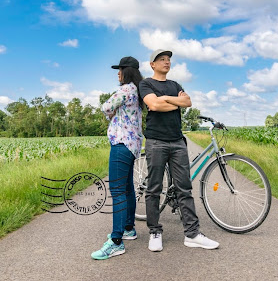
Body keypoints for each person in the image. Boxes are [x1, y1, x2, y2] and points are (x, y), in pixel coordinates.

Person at [139, 49, 219, 252]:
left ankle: (192, 234)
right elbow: (154, 106)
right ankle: (155, 231)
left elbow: (188, 102)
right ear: (152, 65)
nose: (166, 62)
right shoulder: (146, 84)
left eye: (168, 59)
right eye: (161, 60)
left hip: (177, 142)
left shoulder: (175, 85)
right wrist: (175, 102)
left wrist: (165, 98)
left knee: (184, 188)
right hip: (156, 141)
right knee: (154, 188)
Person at [91, 56, 144, 260]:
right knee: (127, 188)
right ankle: (128, 228)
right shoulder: (137, 90)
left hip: (121, 144)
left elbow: (106, 106)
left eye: (120, 69)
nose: (117, 73)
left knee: (117, 191)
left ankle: (116, 241)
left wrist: (110, 113)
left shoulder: (126, 89)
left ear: (127, 71)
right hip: (132, 145)